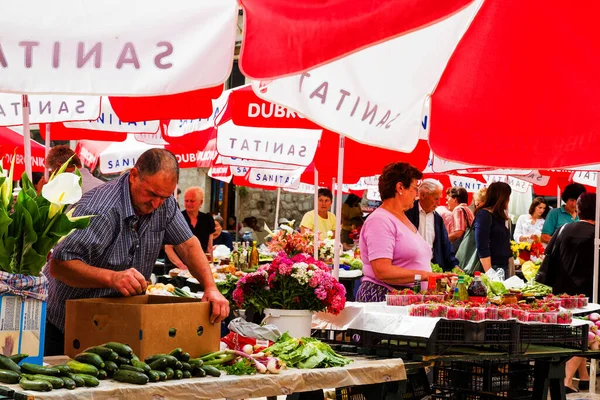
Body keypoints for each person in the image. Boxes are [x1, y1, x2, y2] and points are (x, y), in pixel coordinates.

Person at [43, 149, 229, 356]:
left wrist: (210, 287)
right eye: (151, 194)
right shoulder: (100, 208)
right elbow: (59, 265)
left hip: (117, 323)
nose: (156, 203)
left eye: (164, 196)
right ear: (133, 175)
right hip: (68, 325)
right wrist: (112, 277)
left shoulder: (164, 204)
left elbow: (187, 244)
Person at [356, 163, 451, 302]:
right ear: (400, 187)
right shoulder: (380, 220)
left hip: (403, 298)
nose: (417, 194)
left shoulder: (400, 217)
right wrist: (426, 275)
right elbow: (382, 270)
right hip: (384, 298)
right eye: (415, 188)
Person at [537, 192, 596, 393]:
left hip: (562, 295)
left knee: (576, 335)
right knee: (585, 335)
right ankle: (566, 379)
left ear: (578, 209)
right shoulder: (596, 235)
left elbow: (548, 258)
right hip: (589, 296)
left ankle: (584, 377)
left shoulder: (562, 229)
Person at [405, 179, 460, 272]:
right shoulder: (407, 213)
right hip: (410, 268)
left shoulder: (437, 218)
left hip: (432, 268)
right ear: (422, 195)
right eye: (436, 198)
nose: (438, 203)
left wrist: (454, 265)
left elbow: (445, 244)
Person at [165, 187, 216, 267]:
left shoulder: (207, 219)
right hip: (177, 267)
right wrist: (181, 266)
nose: (188, 204)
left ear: (201, 202)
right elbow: (168, 248)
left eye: (192, 201)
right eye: (186, 201)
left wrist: (211, 266)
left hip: (199, 266)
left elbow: (209, 248)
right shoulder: (177, 218)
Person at [473, 181, 512, 276]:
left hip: (502, 266)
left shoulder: (499, 216)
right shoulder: (484, 215)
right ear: (501, 198)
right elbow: (482, 245)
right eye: (508, 197)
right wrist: (490, 273)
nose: (509, 200)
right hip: (490, 267)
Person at [36, 145, 104, 194]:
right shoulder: (103, 185)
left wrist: (41, 193)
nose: (53, 176)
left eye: (53, 172)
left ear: (60, 167)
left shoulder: (64, 188)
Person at [446, 187, 475, 251]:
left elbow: (458, 232)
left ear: (454, 199)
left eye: (448, 199)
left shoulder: (458, 209)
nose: (446, 202)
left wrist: (443, 239)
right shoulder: (467, 209)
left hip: (460, 248)